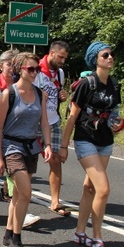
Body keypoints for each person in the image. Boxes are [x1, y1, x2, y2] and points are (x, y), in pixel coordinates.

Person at [57, 41, 124, 247]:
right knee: (103, 189)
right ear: (95, 59)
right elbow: (72, 117)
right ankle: (97, 238)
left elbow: (115, 113)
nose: (110, 58)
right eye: (105, 55)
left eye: (111, 54)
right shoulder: (86, 84)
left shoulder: (114, 85)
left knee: (90, 187)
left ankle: (79, 233)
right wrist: (64, 146)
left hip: (105, 140)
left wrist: (118, 123)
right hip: (85, 139)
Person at [0, 52, 52, 247]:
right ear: (20, 69)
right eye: (31, 69)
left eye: (37, 68)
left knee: (19, 194)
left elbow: (44, 122)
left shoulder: (40, 93)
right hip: (11, 146)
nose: (35, 72)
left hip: (31, 148)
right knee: (26, 194)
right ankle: (17, 239)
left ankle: (9, 232)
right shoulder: (7, 94)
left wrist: (47, 145)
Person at [35, 41, 71, 216]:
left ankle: (55, 201)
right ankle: (10, 189)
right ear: (51, 53)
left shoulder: (60, 73)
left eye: (65, 58)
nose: (62, 61)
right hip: (34, 122)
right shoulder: (35, 69)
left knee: (55, 160)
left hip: (53, 121)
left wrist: (62, 97)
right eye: (60, 57)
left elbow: (57, 96)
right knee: (27, 160)